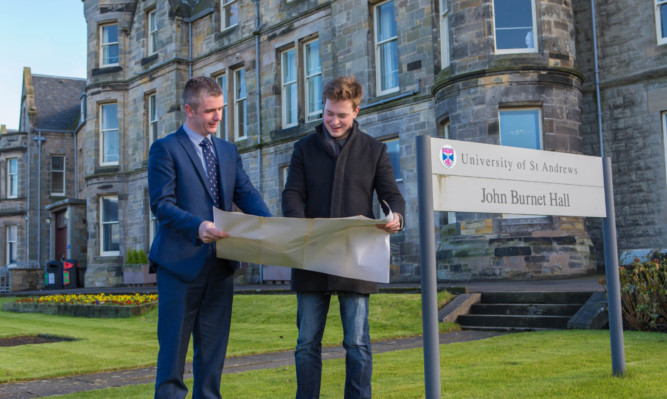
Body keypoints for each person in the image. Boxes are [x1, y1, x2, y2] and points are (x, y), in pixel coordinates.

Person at [282, 75, 406, 399]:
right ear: (322, 108)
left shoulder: (375, 151)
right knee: (307, 342)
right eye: (328, 113)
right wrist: (299, 230)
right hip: (311, 258)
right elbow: (292, 194)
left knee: (356, 342)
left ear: (356, 111)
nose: (334, 121)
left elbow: (392, 196)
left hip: (357, 260)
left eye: (342, 115)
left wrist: (396, 217)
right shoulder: (303, 149)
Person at [148, 76, 271, 399]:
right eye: (210, 111)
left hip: (221, 266)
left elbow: (246, 194)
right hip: (178, 266)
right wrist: (198, 226)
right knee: (173, 355)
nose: (218, 117)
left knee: (213, 357)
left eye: (221, 109)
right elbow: (162, 205)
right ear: (188, 110)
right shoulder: (164, 149)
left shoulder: (228, 151)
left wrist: (275, 228)